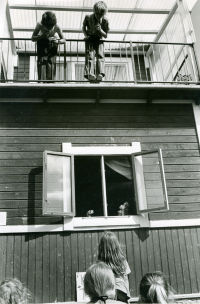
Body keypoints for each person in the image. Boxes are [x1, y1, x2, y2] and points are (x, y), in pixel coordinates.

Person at [31, 11, 65, 81]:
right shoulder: (39, 24)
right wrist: (42, 36)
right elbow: (33, 38)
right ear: (44, 24)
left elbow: (64, 40)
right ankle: (41, 80)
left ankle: (50, 81)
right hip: (42, 43)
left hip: (53, 44)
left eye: (51, 27)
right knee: (41, 61)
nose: (50, 29)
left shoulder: (57, 26)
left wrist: (58, 41)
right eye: (48, 27)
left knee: (51, 62)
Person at [98, 232, 131, 303]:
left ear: (102, 246)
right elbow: (125, 279)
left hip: (107, 293)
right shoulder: (122, 260)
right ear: (116, 245)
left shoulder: (100, 263)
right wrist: (128, 296)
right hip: (121, 291)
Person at [82, 1, 110, 81]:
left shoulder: (105, 21)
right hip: (90, 39)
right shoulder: (88, 17)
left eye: (100, 14)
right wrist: (86, 36)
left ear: (104, 13)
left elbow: (106, 35)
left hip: (99, 40)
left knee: (100, 56)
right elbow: (83, 28)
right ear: (94, 11)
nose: (98, 16)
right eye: (97, 13)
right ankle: (90, 73)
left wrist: (100, 30)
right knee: (90, 55)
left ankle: (100, 74)